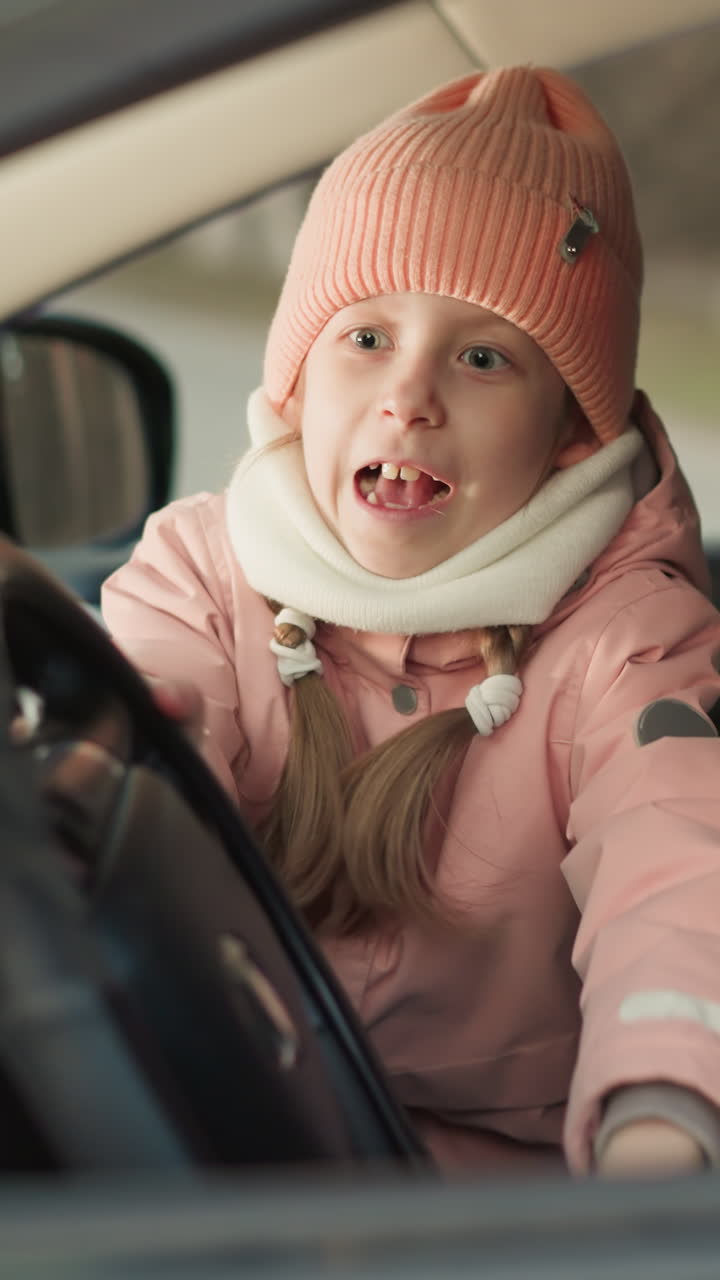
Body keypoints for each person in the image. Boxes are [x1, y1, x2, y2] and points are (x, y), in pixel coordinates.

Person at [102, 66, 720, 1179]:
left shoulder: (628, 641)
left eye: (484, 357)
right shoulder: (200, 571)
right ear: (295, 382)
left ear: (572, 433)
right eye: (366, 337)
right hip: (237, 1148)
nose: (410, 397)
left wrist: (662, 1113)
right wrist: (113, 764)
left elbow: (680, 866)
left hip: (499, 1214)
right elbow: (151, 747)